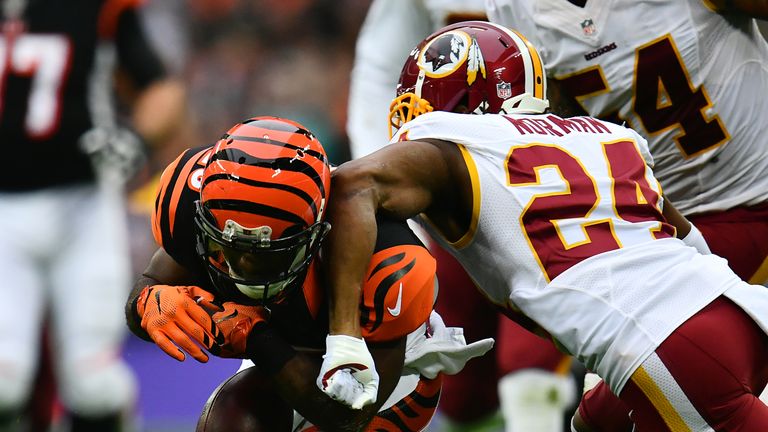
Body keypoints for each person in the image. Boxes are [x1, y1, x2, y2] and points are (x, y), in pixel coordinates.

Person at [321, 21, 768, 431]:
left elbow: (353, 184)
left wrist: (344, 339)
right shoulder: (611, 136)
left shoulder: (450, 144)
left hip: (661, 346)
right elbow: (690, 241)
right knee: (594, 424)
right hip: (739, 309)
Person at [485, 1, 768, 429]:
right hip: (662, 228)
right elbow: (546, 122)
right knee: (596, 419)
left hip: (756, 197)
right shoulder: (513, 8)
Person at [123, 116, 493, 431]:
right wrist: (149, 302)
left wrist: (255, 337)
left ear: (315, 233)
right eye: (228, 247)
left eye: (264, 256)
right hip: (284, 342)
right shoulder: (195, 208)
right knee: (234, 420)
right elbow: (145, 297)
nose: (242, 269)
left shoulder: (385, 261)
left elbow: (347, 417)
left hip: (380, 380)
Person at [348, 2, 579, 431]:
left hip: (547, 182)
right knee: (461, 390)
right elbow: (380, 67)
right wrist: (385, 188)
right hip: (452, 180)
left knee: (531, 361)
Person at [0, 0, 185, 430]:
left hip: (83, 206)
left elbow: (162, 88)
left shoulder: (94, 7)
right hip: (3, 211)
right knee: (4, 383)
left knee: (93, 383)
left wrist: (137, 138)